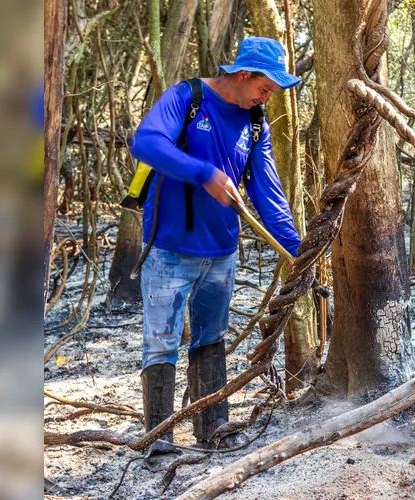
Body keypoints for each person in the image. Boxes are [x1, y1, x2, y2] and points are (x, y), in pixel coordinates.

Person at [129, 37, 302, 454]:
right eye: (264, 89)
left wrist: (299, 252)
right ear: (243, 75)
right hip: (169, 249)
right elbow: (147, 143)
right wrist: (204, 173)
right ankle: (158, 440)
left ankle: (214, 430)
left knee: (211, 339)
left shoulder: (255, 122)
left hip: (222, 253)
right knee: (162, 343)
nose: (266, 98)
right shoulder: (186, 98)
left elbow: (269, 194)